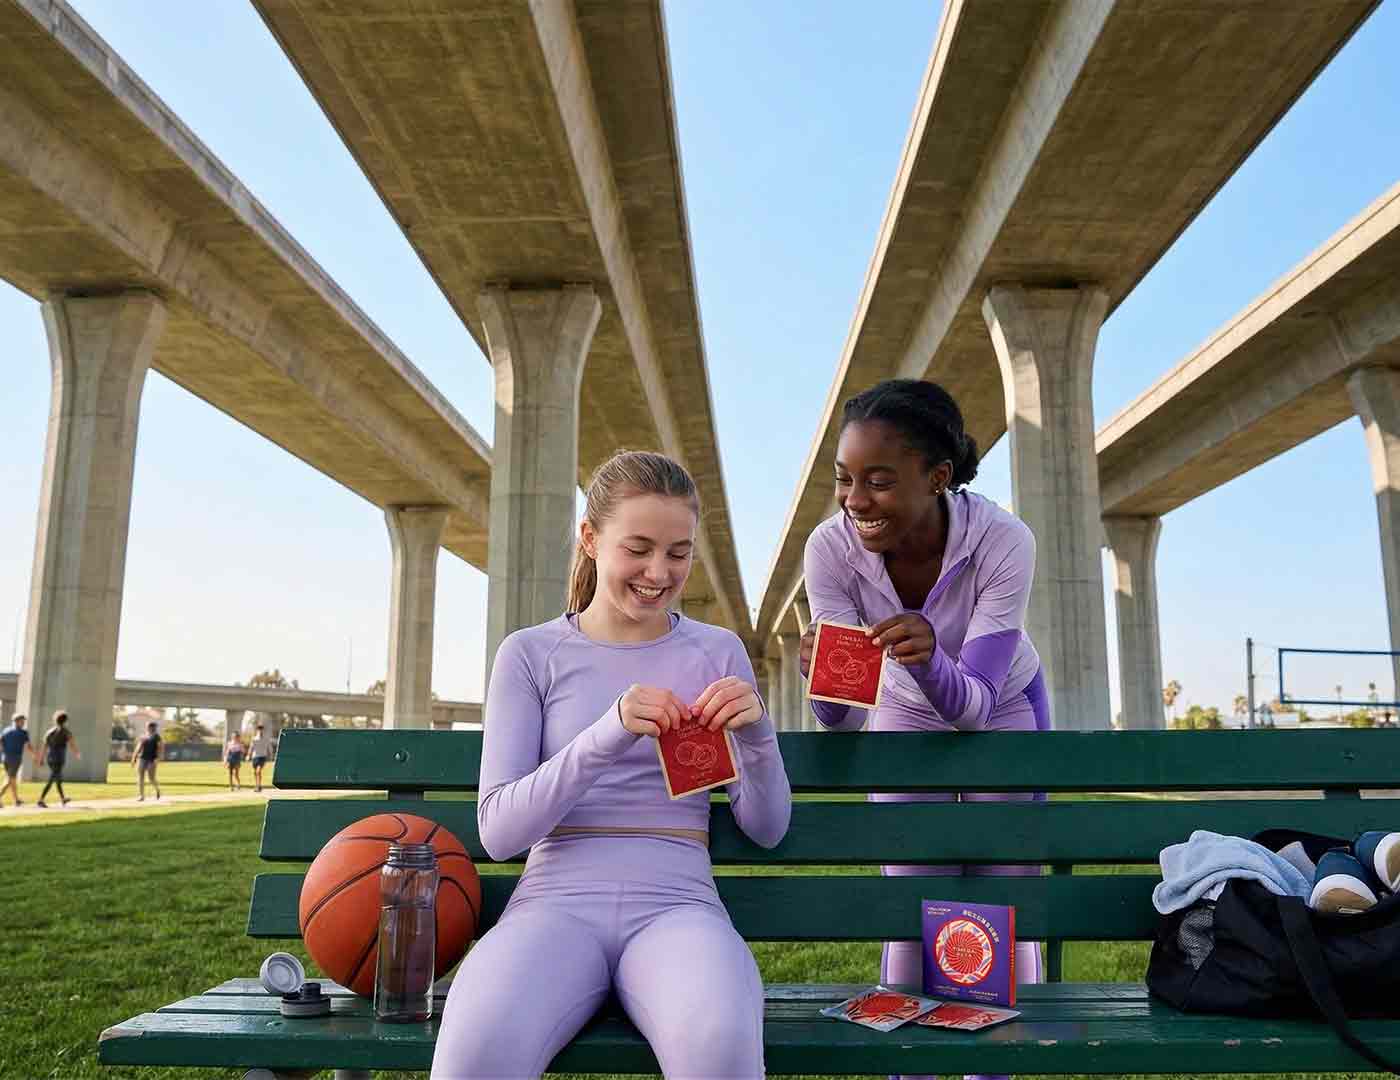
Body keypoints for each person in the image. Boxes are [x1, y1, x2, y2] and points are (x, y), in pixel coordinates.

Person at [432, 451, 791, 1080]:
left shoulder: (718, 649)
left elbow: (767, 827)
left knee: (720, 1045)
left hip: (678, 903)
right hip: (552, 905)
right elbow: (499, 832)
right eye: (640, 548)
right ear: (591, 539)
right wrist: (608, 733)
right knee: (477, 1050)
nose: (659, 572)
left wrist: (758, 735)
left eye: (678, 553)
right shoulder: (531, 654)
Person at [799, 379, 1049, 1080]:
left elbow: (972, 703)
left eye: (879, 482)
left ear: (938, 478)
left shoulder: (1003, 541)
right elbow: (845, 719)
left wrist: (931, 653)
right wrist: (820, 684)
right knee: (913, 895)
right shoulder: (831, 549)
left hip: (1001, 707)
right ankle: (910, 1069)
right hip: (901, 710)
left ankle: (989, 1071)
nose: (855, 501)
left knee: (996, 897)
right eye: (846, 480)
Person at [37, 710, 80, 808]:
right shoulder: (66, 732)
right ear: (65, 721)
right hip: (59, 758)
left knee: (58, 778)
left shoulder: (49, 732)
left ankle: (63, 799)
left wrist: (41, 759)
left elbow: (44, 747)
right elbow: (72, 744)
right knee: (52, 779)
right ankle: (41, 799)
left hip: (50, 758)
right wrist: (77, 754)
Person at [1, 714, 39, 807]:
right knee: (10, 779)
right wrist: (34, 755)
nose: (23, 723)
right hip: (15, 758)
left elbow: (1, 743)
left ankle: (16, 800)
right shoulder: (23, 732)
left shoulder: (6, 730)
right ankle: (14, 799)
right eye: (22, 721)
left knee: (11, 779)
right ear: (17, 721)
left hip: (5, 758)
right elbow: (28, 746)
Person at [131, 720, 163, 801]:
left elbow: (160, 748)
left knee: (151, 778)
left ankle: (157, 789)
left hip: (152, 759)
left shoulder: (157, 737)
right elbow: (138, 747)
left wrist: (157, 759)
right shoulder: (144, 736)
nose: (151, 728)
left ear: (154, 728)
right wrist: (134, 757)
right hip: (142, 758)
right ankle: (141, 796)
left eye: (153, 727)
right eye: (149, 726)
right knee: (140, 777)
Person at [248, 723, 273, 793]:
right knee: (255, 772)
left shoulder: (266, 739)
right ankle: (257, 785)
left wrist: (271, 755)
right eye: (259, 729)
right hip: (255, 757)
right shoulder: (254, 739)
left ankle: (259, 786)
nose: (260, 731)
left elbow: (269, 748)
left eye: (261, 729)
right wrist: (248, 755)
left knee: (258, 771)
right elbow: (251, 747)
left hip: (262, 757)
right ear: (257, 730)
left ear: (263, 730)